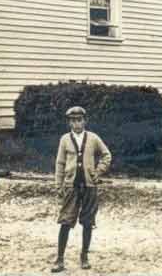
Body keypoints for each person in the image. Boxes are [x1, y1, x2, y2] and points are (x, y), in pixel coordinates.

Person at [52, 105, 111, 272]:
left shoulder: (93, 138)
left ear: (85, 121)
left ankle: (84, 255)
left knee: (87, 222)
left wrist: (98, 171)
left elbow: (106, 155)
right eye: (73, 121)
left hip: (89, 186)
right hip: (71, 186)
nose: (76, 124)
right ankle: (60, 258)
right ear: (69, 123)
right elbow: (60, 163)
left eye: (79, 120)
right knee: (65, 221)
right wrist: (59, 184)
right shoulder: (64, 139)